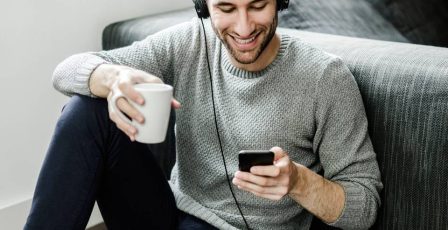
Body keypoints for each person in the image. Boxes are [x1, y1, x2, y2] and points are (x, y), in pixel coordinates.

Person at [25, 0, 383, 229]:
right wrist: (113, 78)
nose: (244, 28)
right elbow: (66, 70)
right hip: (168, 213)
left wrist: (299, 182)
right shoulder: (188, 43)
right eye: (226, 8)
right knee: (86, 109)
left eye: (257, 6)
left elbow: (364, 204)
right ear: (204, 6)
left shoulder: (325, 78)